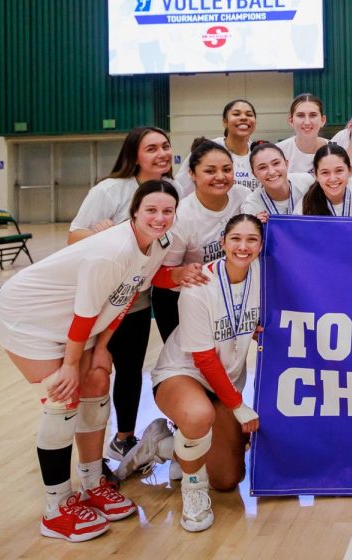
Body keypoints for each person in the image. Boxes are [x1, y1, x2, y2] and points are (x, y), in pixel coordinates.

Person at [0, 180, 178, 542]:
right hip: (28, 317)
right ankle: (56, 508)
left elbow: (125, 298)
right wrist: (70, 365)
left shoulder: (157, 244)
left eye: (167, 211)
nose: (159, 217)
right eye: (150, 210)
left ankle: (91, 484)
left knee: (96, 382)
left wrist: (103, 348)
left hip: (79, 322)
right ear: (133, 213)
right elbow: (84, 317)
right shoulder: (111, 251)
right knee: (64, 398)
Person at [119, 214, 265, 532]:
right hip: (184, 373)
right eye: (236, 239)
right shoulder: (199, 287)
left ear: (261, 245)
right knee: (199, 415)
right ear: (223, 243)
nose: (243, 246)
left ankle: (161, 445)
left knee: (227, 479)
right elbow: (204, 359)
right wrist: (238, 406)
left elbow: (251, 318)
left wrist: (256, 330)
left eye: (252, 239)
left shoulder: (263, 278)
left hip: (224, 380)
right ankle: (194, 493)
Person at [67, 126, 174, 472]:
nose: (161, 154)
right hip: (99, 303)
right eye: (152, 148)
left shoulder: (172, 192)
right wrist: (102, 232)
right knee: (95, 373)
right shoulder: (110, 189)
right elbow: (75, 236)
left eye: (166, 146)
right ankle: (88, 458)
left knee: (130, 371)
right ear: (135, 154)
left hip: (137, 299)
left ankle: (124, 437)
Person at [154, 139, 250, 342]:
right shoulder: (181, 217)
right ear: (192, 174)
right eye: (210, 171)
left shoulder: (243, 197)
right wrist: (180, 273)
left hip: (224, 296)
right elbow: (158, 276)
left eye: (227, 169)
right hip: (179, 300)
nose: (220, 177)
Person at [174, 99, 259, 196]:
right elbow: (181, 187)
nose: (244, 117)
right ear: (224, 122)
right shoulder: (206, 149)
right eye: (236, 114)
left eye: (249, 115)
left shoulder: (260, 152)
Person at [295, 144, 352, 217]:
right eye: (325, 172)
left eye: (339, 170)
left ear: (350, 170)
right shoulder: (303, 210)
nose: (333, 179)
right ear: (316, 175)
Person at [241, 142, 314, 218]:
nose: (272, 172)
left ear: (286, 164)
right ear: (254, 174)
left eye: (276, 163)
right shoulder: (251, 206)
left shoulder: (307, 182)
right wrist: (255, 225)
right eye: (262, 167)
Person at [276, 93, 328, 175]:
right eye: (300, 115)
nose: (307, 122)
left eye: (313, 115)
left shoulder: (336, 149)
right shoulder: (278, 151)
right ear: (291, 120)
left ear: (323, 120)